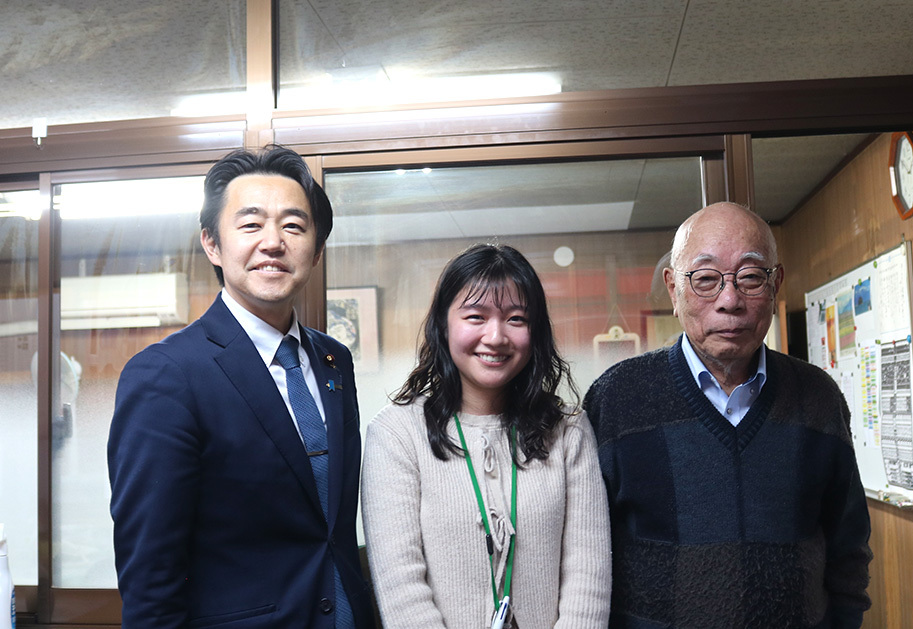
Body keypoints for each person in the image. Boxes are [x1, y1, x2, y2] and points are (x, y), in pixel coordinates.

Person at [108, 145, 373, 628]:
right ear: (212, 243)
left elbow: (330, 530)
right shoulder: (167, 374)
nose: (273, 242)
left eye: (293, 225)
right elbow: (150, 574)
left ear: (315, 249)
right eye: (251, 224)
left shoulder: (335, 361)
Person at [586, 202, 872, 629]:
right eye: (705, 280)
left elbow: (848, 549)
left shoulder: (818, 397)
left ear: (776, 283)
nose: (730, 300)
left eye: (751, 277)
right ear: (673, 287)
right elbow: (586, 560)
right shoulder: (617, 399)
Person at [361, 243, 611, 629]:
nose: (495, 337)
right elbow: (401, 588)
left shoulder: (568, 430)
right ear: (443, 324)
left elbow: (587, 577)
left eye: (516, 319)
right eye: (475, 316)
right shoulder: (396, 434)